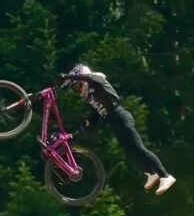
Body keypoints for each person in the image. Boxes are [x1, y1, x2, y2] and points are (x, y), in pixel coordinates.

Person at [60, 65, 176, 195]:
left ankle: (165, 176)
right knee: (132, 151)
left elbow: (92, 78)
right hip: (115, 123)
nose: (77, 89)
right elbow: (96, 115)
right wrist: (88, 122)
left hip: (121, 118)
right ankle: (152, 172)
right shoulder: (91, 96)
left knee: (140, 148)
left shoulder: (98, 80)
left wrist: (70, 76)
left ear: (83, 79)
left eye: (77, 85)